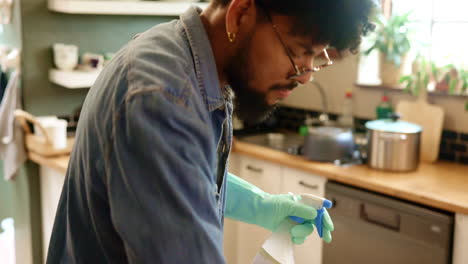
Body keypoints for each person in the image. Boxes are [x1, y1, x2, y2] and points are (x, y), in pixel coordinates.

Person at [46, 0, 375, 263]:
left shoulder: (189, 63)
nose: (305, 76)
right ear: (241, 12)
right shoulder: (162, 98)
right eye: (300, 52)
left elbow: (182, 175)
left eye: (318, 59)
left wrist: (261, 204)